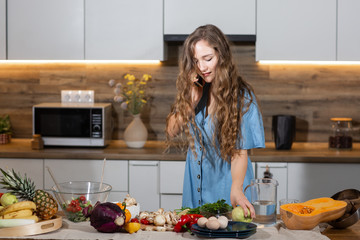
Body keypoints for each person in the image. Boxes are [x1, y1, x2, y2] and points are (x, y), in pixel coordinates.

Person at [165, 24, 265, 218]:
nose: (201, 67)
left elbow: (239, 152)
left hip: (228, 187)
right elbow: (171, 130)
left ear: (222, 56)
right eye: (196, 61)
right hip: (196, 188)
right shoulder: (196, 88)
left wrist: (236, 188)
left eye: (208, 59)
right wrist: (191, 100)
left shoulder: (242, 96)